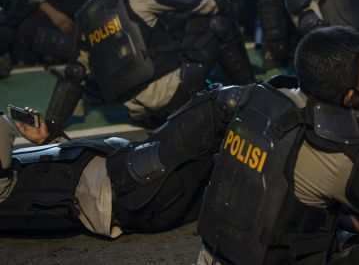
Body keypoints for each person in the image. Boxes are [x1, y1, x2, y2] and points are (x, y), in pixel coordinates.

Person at [196, 26, 359, 265]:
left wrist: (338, 218)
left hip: (218, 253)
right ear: (350, 95)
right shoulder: (337, 151)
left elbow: (270, 187)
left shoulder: (256, 100)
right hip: (266, 257)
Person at [45, 0, 255, 136]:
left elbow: (76, 71)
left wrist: (51, 125)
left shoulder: (84, 15)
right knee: (217, 23)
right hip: (176, 94)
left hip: (140, 114)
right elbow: (210, 3)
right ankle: (254, 93)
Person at [0, 94, 229, 237]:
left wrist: (48, 140)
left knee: (234, 173)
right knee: (221, 106)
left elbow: (66, 175)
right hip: (132, 186)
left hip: (133, 184)